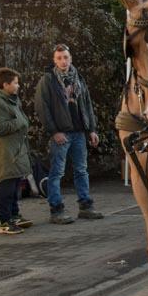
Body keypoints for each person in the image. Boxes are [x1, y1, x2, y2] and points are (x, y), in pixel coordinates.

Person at [34, 43, 103, 224]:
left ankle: (86, 207)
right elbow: (42, 108)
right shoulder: (48, 80)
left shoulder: (78, 78)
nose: (63, 61)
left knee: (82, 170)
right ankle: (56, 210)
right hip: (61, 134)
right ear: (54, 60)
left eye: (65, 57)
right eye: (59, 58)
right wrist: (54, 131)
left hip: (79, 132)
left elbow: (87, 105)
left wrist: (92, 129)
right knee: (57, 172)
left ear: (70, 58)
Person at [0, 67, 33, 234]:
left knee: (16, 183)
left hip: (16, 149)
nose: (18, 86)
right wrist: (19, 123)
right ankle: (4, 221)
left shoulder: (11, 99)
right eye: (15, 83)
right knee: (6, 186)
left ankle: (14, 215)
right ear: (5, 84)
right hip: (5, 152)